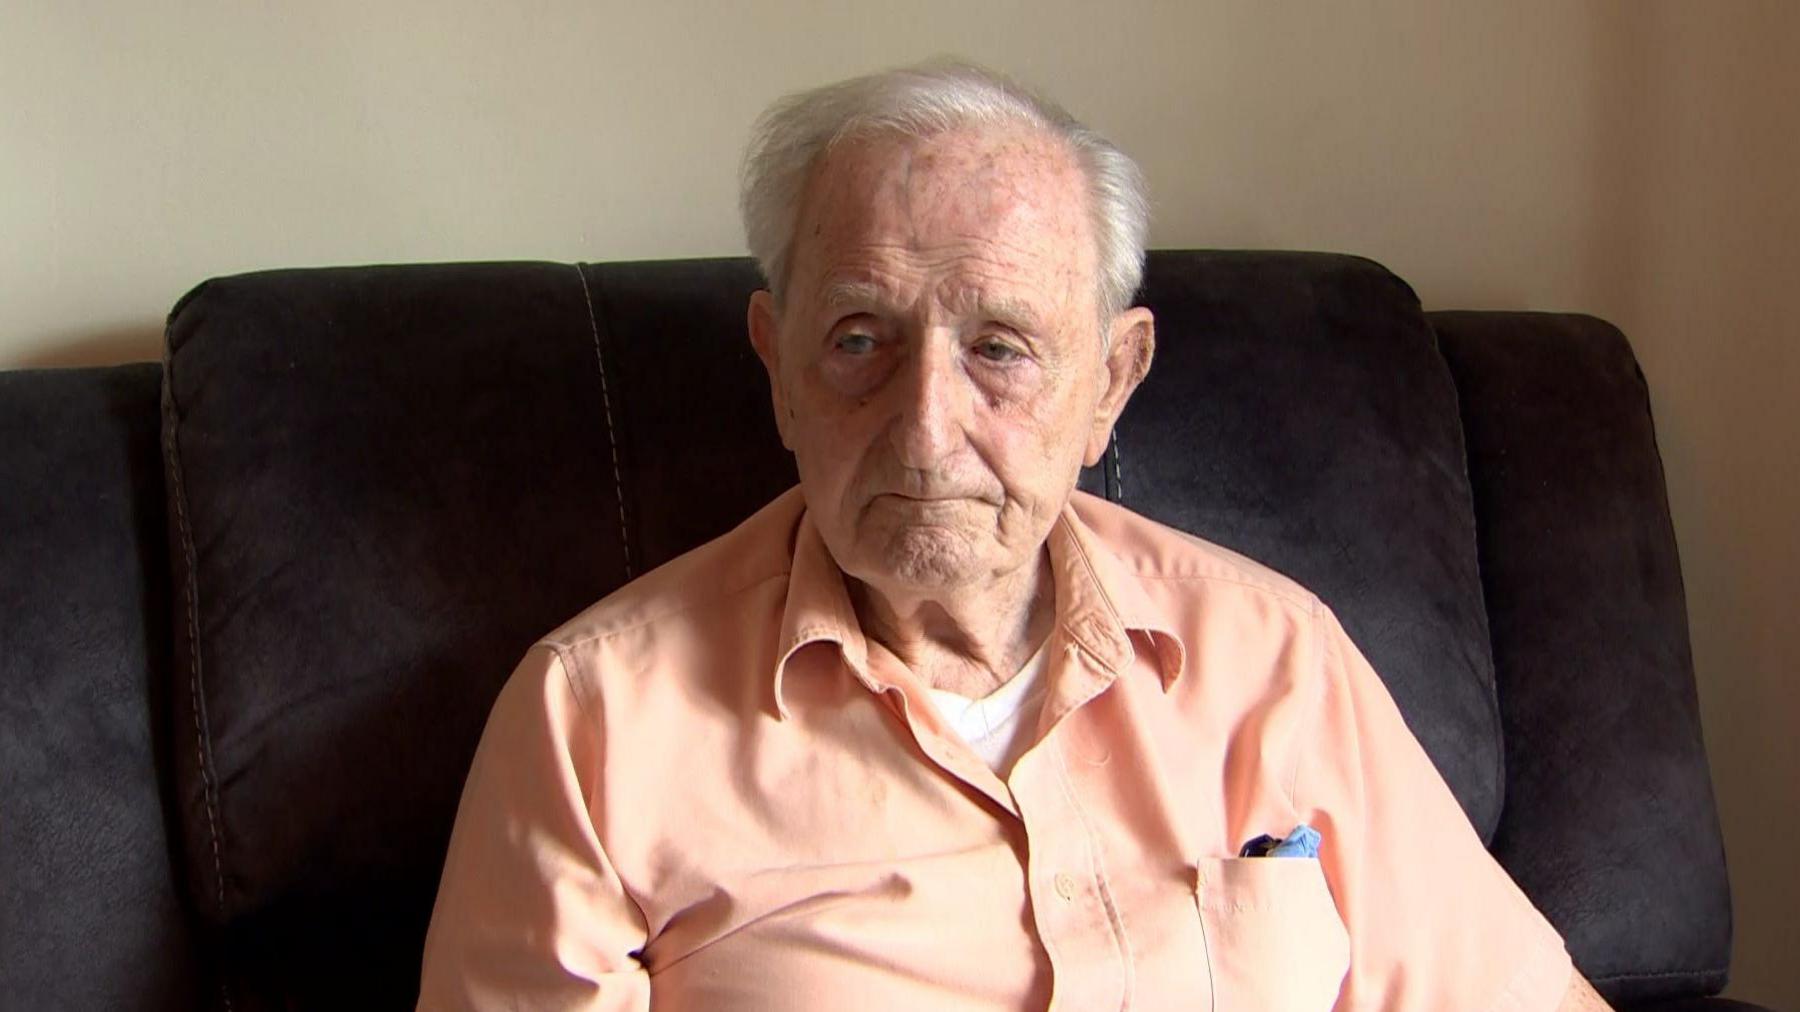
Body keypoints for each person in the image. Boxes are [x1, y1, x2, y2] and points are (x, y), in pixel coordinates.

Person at [419, 60, 1612, 1010]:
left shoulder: (1274, 658)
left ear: (1111, 383)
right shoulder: (594, 723)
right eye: (857, 340)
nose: (927, 431)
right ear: (776, 369)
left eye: (999, 347)